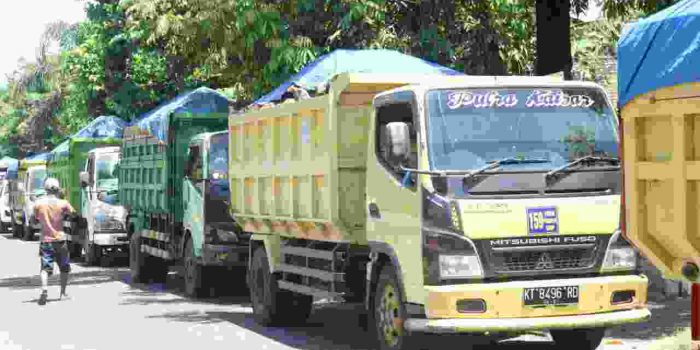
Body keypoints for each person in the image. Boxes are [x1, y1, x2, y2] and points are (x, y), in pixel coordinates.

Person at [34, 177, 75, 305]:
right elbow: (74, 214)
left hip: (46, 240)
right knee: (64, 267)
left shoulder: (38, 204)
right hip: (60, 240)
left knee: (45, 268)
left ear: (45, 189)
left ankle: (44, 290)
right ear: (57, 188)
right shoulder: (63, 203)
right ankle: (62, 293)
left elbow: (34, 220)